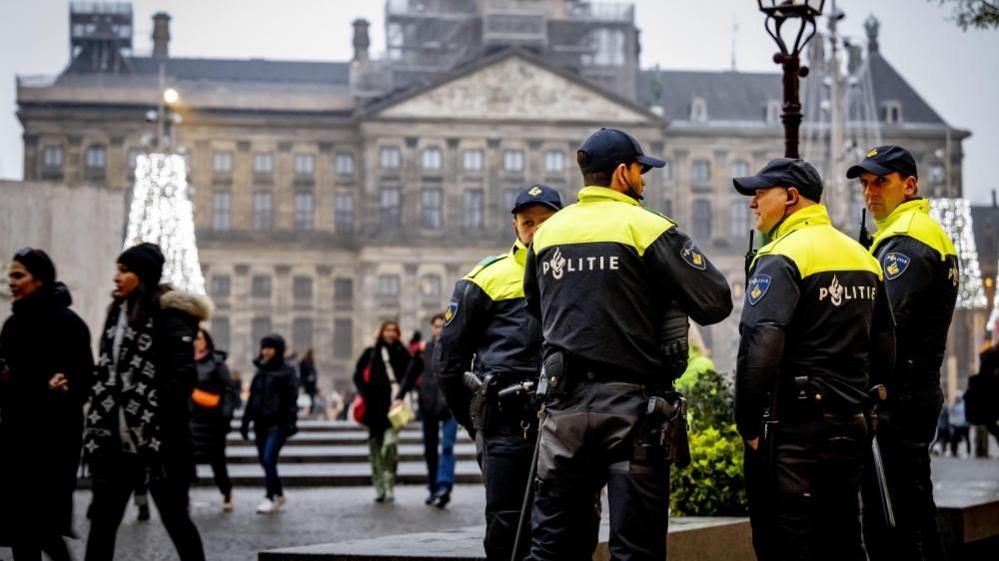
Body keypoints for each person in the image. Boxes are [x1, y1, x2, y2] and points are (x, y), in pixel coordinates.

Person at [522, 129, 732, 561]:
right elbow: (715, 302)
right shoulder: (648, 227)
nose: (644, 179)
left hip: (563, 415)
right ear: (622, 173)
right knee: (635, 549)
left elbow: (536, 309)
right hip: (632, 413)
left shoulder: (547, 233)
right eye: (641, 170)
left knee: (553, 547)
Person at [732, 158, 894, 561]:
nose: (753, 204)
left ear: (790, 197)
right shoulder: (862, 257)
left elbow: (761, 344)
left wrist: (748, 423)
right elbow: (887, 346)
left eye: (759, 193)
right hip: (849, 426)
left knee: (787, 545)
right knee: (844, 539)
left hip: (792, 433)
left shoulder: (782, 256)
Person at [437, 183, 562, 561]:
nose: (536, 230)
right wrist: (476, 421)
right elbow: (448, 362)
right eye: (528, 222)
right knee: (507, 525)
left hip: (565, 419)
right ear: (515, 225)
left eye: (545, 222)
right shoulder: (485, 278)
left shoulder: (575, 273)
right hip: (509, 422)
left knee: (565, 524)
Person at [848, 145, 958, 561]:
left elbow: (881, 319)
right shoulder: (915, 231)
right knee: (913, 510)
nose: (870, 192)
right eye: (865, 184)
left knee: (892, 526)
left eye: (881, 181)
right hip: (914, 391)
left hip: (898, 396)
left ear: (909, 185)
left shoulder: (908, 238)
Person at [83, 242, 209, 561]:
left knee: (176, 520)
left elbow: (183, 378)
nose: (116, 277)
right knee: (102, 523)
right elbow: (109, 369)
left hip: (160, 442)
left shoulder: (170, 316)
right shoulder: (117, 314)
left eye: (124, 271)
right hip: (115, 439)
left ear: (143, 275)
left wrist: (147, 406)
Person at [0, 248, 93, 561]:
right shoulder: (12, 326)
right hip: (15, 438)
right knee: (20, 531)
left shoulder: (68, 324)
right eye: (10, 275)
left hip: (53, 443)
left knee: (45, 530)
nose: (10, 281)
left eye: (18, 275)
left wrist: (57, 386)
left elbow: (82, 380)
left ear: (39, 280)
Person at [397, 314, 455, 507]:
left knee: (447, 447)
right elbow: (410, 375)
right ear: (432, 329)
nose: (439, 330)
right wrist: (399, 396)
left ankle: (444, 486)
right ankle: (433, 488)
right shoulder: (423, 351)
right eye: (436, 326)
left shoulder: (456, 349)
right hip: (428, 406)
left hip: (450, 407)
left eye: (442, 326)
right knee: (430, 450)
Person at [240, 334, 299, 514]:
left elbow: (291, 400)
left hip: (278, 424)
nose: (265, 351)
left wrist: (289, 423)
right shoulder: (261, 369)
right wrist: (245, 421)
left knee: (268, 459)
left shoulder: (287, 371)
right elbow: (253, 398)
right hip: (260, 422)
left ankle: (269, 496)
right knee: (265, 461)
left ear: (278, 349)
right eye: (263, 347)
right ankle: (279, 493)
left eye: (269, 348)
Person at [353, 320, 410, 502]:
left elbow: (411, 375)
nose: (390, 333)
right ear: (381, 332)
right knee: (375, 449)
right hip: (372, 406)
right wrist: (364, 392)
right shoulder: (371, 352)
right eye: (387, 330)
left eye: (394, 330)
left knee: (389, 446)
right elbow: (357, 375)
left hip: (393, 405)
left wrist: (402, 393)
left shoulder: (402, 352)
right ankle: (379, 487)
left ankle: (389, 482)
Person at [190, 327, 238, 511]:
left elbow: (228, 391)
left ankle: (226, 492)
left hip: (212, 421)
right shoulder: (184, 361)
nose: (196, 341)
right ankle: (183, 497)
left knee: (217, 462)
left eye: (199, 338)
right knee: (186, 461)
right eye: (194, 338)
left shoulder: (217, 363)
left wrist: (225, 416)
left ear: (207, 341)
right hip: (191, 420)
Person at [948, 392, 970, 458]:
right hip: (958, 425)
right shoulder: (955, 405)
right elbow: (950, 412)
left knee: (967, 438)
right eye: (956, 398)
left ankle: (968, 452)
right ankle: (954, 451)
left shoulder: (965, 404)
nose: (957, 399)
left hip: (965, 425)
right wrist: (953, 404)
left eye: (957, 397)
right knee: (955, 438)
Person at [298, 349, 318, 415]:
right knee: (306, 400)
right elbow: (302, 374)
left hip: (311, 386)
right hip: (306, 385)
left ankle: (309, 412)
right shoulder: (304, 363)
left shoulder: (311, 363)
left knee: (311, 400)